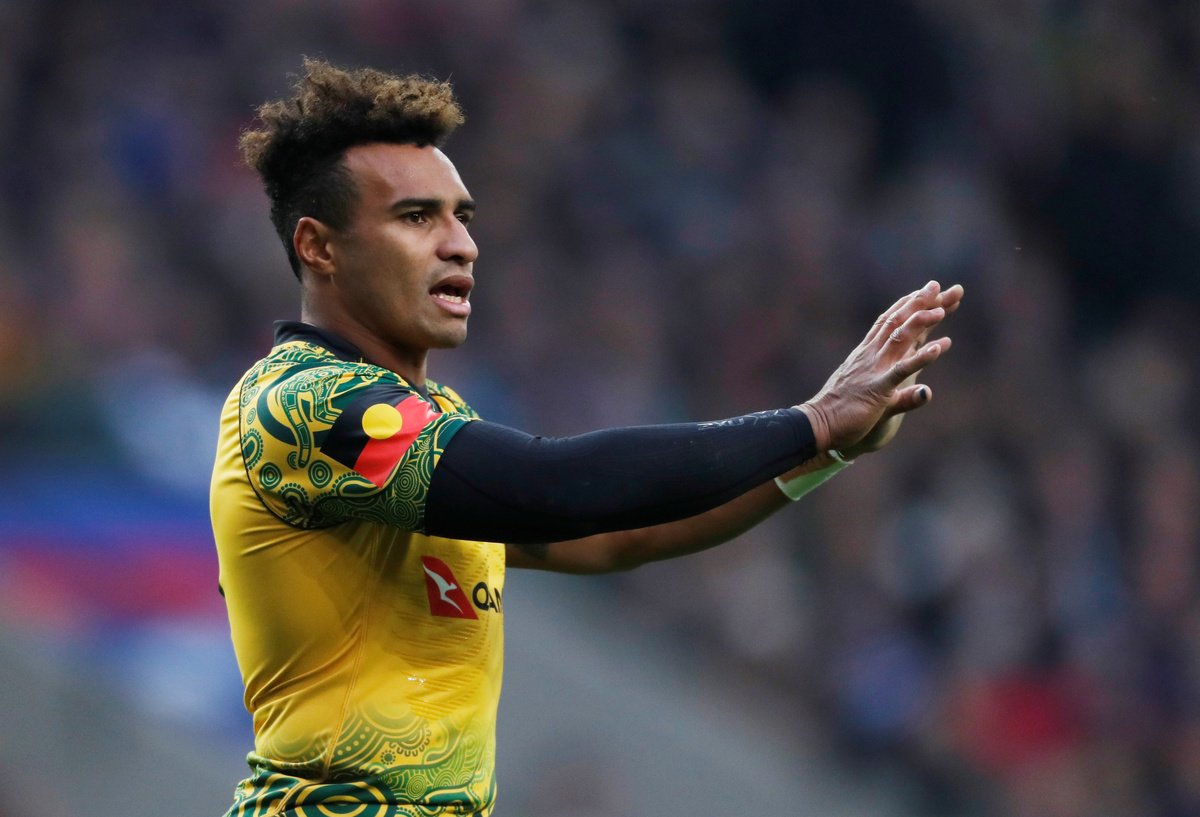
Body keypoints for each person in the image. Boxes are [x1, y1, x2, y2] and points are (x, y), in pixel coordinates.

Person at [210, 59, 963, 817]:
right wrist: (814, 419)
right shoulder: (301, 404)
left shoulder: (430, 423)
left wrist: (827, 449)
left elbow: (617, 537)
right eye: (416, 218)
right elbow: (553, 489)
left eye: (461, 217)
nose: (461, 245)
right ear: (320, 247)